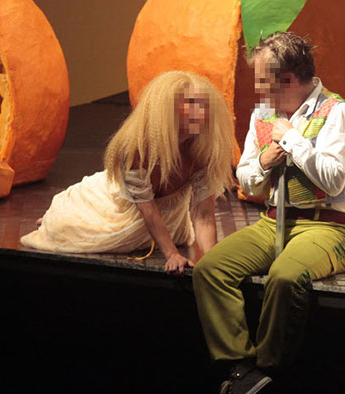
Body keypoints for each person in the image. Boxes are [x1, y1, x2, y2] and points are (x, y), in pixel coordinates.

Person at [192, 32, 345, 394]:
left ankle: (267, 369)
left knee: (284, 277)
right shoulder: (262, 116)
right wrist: (264, 162)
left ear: (287, 79)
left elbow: (333, 179)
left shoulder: (338, 113)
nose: (257, 89)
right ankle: (241, 369)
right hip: (272, 222)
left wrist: (295, 141)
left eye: (262, 80)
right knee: (210, 269)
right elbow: (247, 181)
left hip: (329, 227)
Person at [20, 71, 234, 273]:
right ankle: (55, 216)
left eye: (204, 105)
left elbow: (204, 215)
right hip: (119, 208)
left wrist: (212, 261)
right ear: (167, 108)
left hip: (169, 222)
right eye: (191, 103)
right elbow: (148, 210)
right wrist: (171, 254)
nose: (200, 112)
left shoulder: (202, 151)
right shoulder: (136, 148)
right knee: (64, 226)